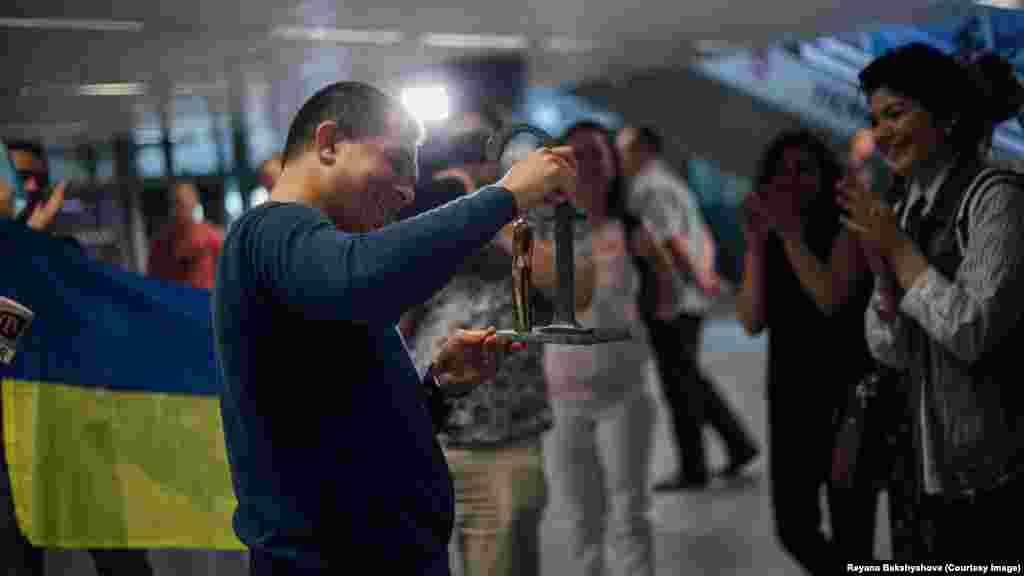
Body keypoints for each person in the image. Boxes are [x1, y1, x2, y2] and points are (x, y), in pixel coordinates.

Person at [211, 81, 577, 575]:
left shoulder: (317, 260)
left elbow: (347, 424)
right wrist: (505, 197)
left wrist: (436, 390)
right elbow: (363, 279)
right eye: (396, 162)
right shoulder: (268, 233)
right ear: (329, 143)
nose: (406, 192)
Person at [838, 42, 1024, 560]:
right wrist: (884, 279)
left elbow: (972, 331)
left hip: (994, 478)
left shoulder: (997, 199)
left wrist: (897, 251)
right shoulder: (904, 208)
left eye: (896, 113)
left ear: (947, 117)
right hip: (920, 468)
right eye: (875, 119)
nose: (882, 133)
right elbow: (890, 350)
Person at [1, 140, 153, 576]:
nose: (30, 188)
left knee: (121, 560)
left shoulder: (63, 253)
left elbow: (85, 332)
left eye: (38, 178)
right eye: (19, 178)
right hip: (12, 445)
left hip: (73, 432)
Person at [532, 121, 676, 576]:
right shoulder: (541, 232)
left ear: (613, 163)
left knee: (630, 512)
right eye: (576, 155)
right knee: (580, 522)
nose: (589, 165)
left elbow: (669, 298)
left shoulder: (632, 230)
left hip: (624, 395)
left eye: (597, 153)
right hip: (561, 400)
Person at [403, 155, 552, 576]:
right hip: (426, 441)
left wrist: (488, 212)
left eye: (476, 153)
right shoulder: (433, 246)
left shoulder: (526, 229)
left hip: (499, 446)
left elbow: (574, 290)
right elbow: (397, 322)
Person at [738, 130, 878, 574]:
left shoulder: (847, 226)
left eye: (804, 170)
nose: (792, 181)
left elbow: (831, 298)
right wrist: (756, 243)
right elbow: (752, 320)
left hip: (847, 394)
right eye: (782, 172)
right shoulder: (771, 237)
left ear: (825, 176)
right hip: (790, 394)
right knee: (793, 527)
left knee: (851, 529)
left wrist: (789, 235)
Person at [617, 125, 758, 491]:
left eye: (624, 149)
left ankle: (695, 468)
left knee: (679, 385)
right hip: (685, 295)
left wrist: (690, 282)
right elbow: (701, 235)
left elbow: (669, 241)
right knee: (689, 378)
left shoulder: (649, 188)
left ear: (644, 149)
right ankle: (737, 445)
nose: (619, 158)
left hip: (671, 297)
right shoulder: (674, 184)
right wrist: (705, 275)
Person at [148, 180, 224, 289]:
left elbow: (228, 276)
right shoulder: (160, 242)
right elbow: (152, 281)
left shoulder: (213, 237)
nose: (178, 209)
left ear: (194, 204)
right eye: (175, 203)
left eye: (182, 204)